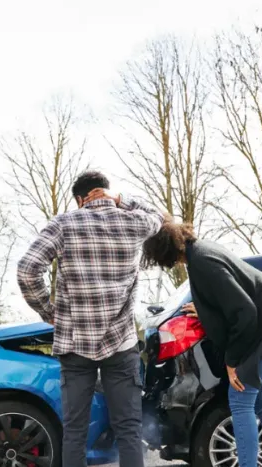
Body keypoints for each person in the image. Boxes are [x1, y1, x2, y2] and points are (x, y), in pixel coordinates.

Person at [17, 170, 164, 467]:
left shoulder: (64, 224)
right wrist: (123, 200)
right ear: (107, 192)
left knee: (74, 430)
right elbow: (159, 215)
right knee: (128, 428)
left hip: (74, 343)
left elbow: (27, 270)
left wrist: (49, 312)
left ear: (79, 199)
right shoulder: (133, 221)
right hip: (120, 343)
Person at [141, 218, 262, 467]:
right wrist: (205, 310)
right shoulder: (202, 250)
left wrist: (232, 361)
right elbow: (230, 300)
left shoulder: (202, 262)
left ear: (164, 252)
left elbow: (244, 312)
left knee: (241, 403)